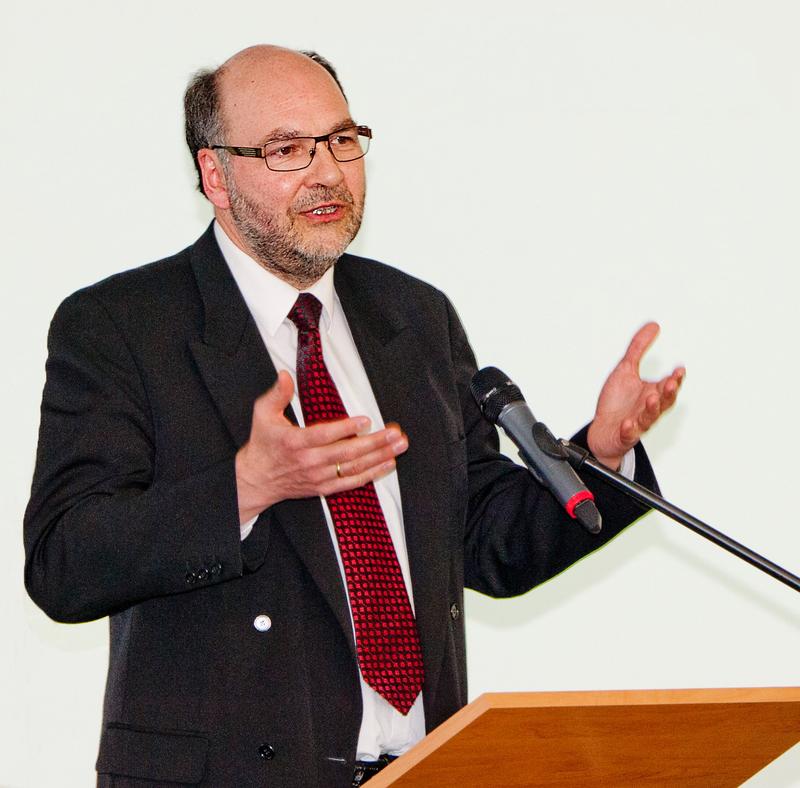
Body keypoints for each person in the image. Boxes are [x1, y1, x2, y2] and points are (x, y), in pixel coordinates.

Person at [24, 45, 684, 787]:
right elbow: (63, 563)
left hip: (424, 770)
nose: (328, 172)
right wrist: (245, 487)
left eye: (341, 140)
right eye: (286, 149)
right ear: (215, 174)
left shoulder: (414, 317)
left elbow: (484, 542)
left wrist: (601, 452)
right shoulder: (123, 326)